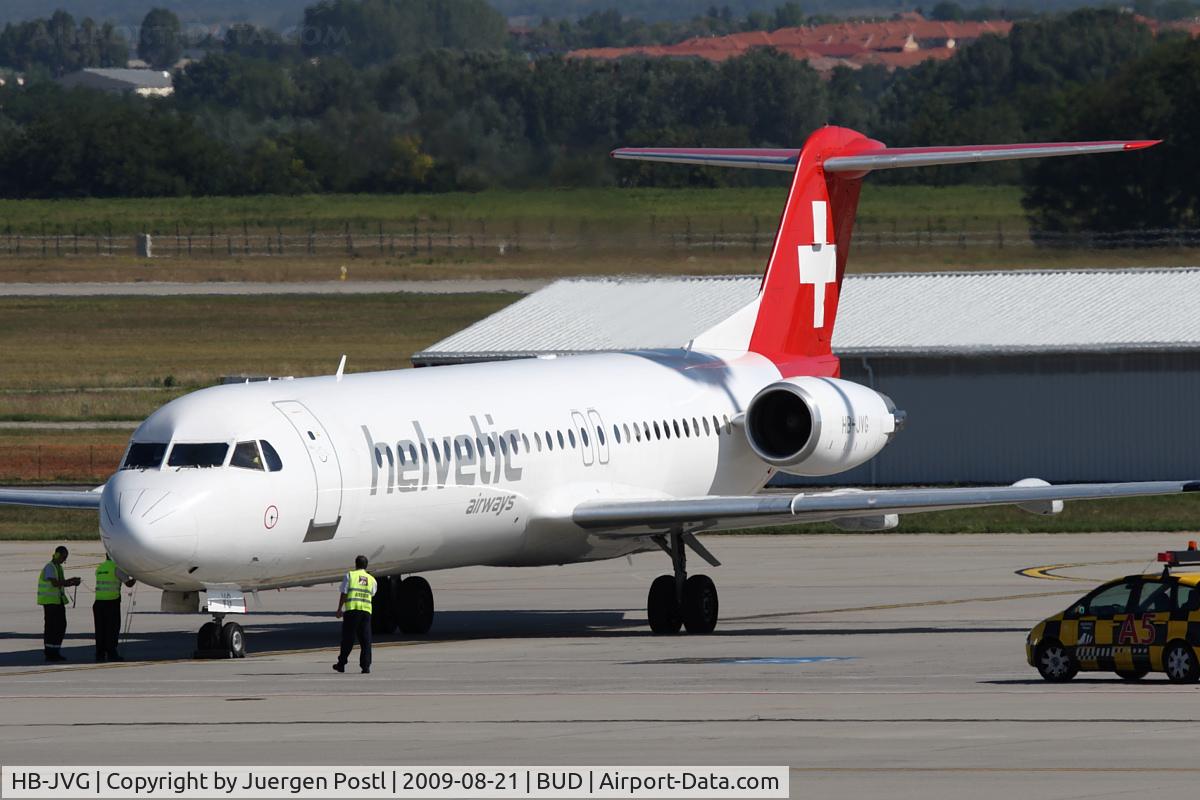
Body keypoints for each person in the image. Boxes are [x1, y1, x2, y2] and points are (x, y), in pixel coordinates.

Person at [333, 555, 376, 674]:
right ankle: (365, 666)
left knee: (348, 639)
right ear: (366, 566)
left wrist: (339, 609)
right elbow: (372, 593)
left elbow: (344, 593)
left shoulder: (350, 576)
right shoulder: (371, 579)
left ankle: (341, 664)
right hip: (366, 611)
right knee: (366, 640)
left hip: (352, 611)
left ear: (355, 564)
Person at [37, 546, 81, 662]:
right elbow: (55, 583)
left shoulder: (58, 567)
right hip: (50, 603)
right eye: (63, 557)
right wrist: (70, 582)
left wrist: (72, 581)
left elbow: (61, 583)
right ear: (57, 555)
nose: (64, 560)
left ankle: (55, 651)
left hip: (58, 602)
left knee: (60, 626)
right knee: (51, 628)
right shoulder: (50, 567)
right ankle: (49, 652)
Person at [93, 552, 135, 662]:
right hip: (111, 603)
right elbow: (129, 583)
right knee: (112, 630)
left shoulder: (100, 568)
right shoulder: (116, 568)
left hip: (98, 603)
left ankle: (100, 654)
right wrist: (137, 576)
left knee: (100, 630)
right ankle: (112, 653)